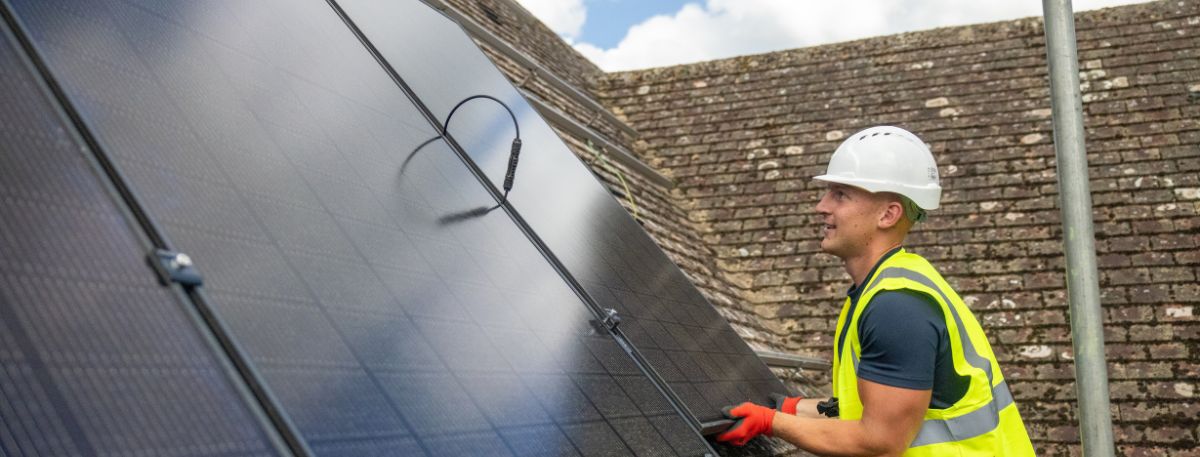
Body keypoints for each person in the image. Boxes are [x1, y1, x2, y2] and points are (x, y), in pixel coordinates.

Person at [716, 126, 1035, 456]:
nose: (821, 206)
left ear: (888, 214)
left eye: (840, 194)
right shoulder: (887, 287)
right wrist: (795, 408)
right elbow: (876, 407)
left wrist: (772, 422)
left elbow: (880, 441)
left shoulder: (896, 307)